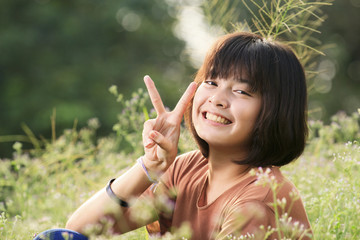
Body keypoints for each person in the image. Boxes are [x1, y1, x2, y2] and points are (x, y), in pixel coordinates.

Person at [65, 32, 312, 239]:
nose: (217, 99)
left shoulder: (260, 201)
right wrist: (150, 166)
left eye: (241, 91)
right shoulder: (188, 168)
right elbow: (77, 231)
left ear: (276, 111)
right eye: (211, 82)